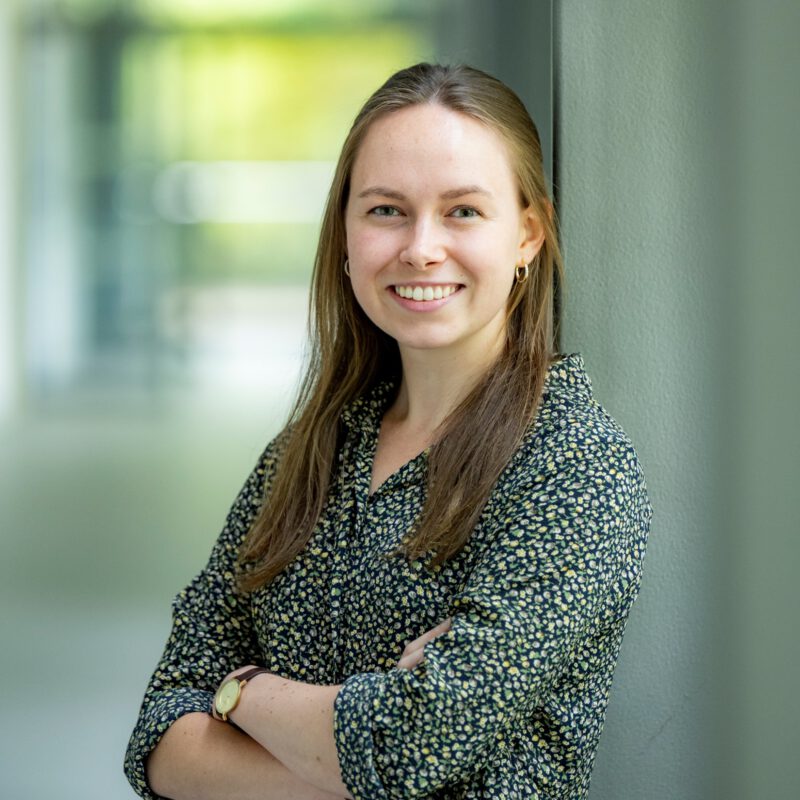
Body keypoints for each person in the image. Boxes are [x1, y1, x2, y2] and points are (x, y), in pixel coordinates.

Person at [124, 62, 652, 800]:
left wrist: (243, 692)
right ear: (345, 234)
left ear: (528, 234)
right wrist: (368, 743)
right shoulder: (309, 451)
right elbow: (156, 734)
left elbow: (409, 744)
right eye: (385, 211)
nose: (420, 247)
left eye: (463, 211)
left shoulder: (574, 468)